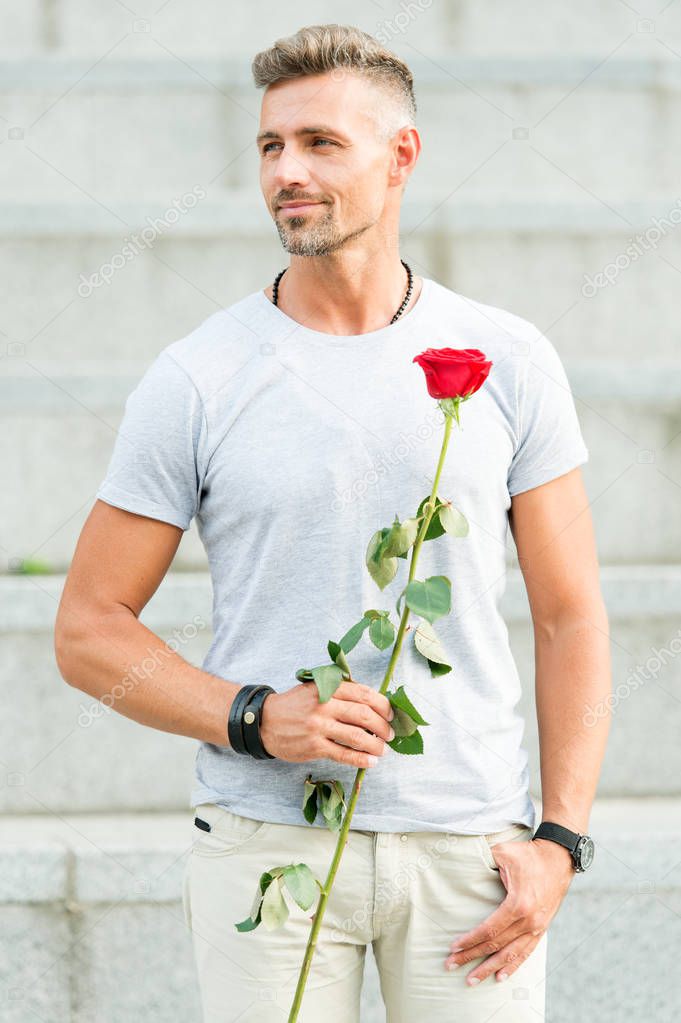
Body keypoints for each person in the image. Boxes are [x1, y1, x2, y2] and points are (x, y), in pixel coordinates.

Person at [54, 23, 611, 1023]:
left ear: (402, 157)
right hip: (269, 850)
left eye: (319, 142)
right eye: (271, 146)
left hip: (471, 857)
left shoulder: (510, 358)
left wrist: (559, 841)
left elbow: (571, 614)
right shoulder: (199, 376)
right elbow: (89, 631)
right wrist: (257, 718)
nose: (286, 172)